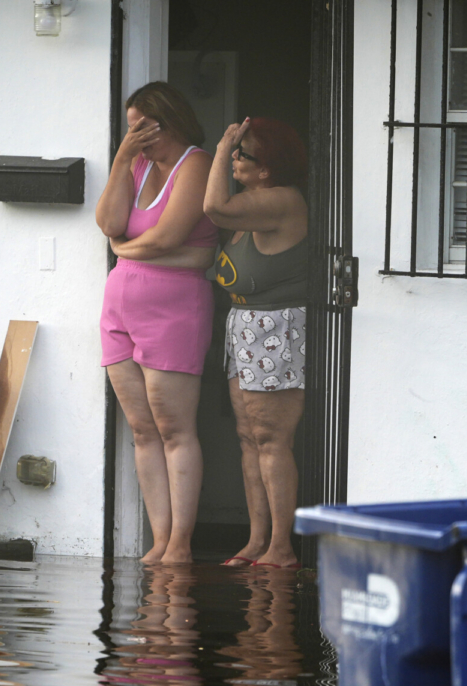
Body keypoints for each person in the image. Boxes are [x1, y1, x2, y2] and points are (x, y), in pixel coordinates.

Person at [95, 82, 218, 565]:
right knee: (141, 430)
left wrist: (124, 249)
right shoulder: (138, 163)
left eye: (139, 128)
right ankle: (160, 540)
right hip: (120, 310)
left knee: (174, 427)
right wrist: (122, 160)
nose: (134, 136)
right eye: (130, 130)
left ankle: (182, 544)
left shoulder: (197, 163)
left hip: (173, 312)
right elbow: (108, 222)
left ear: (163, 122)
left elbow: (167, 237)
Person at [203, 117, 309, 570]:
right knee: (249, 439)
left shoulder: (281, 201)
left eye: (242, 153)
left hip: (275, 327)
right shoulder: (251, 205)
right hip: (243, 325)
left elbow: (212, 207)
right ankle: (256, 541)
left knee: (271, 438)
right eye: (234, 150)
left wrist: (220, 144)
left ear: (266, 168)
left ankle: (281, 548)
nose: (233, 158)